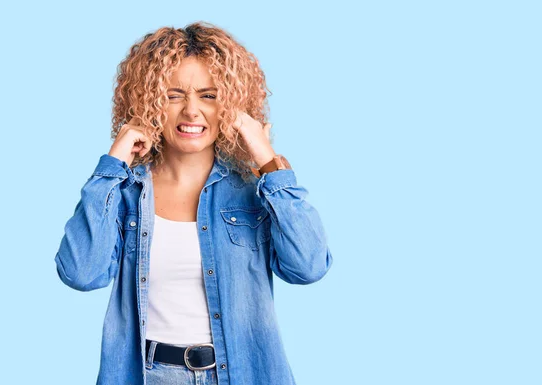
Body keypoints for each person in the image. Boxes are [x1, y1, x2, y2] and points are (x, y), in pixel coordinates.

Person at [53, 21, 333, 385]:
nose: (191, 111)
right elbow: (81, 273)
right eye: (173, 95)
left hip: (243, 374)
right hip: (150, 375)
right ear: (149, 102)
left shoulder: (254, 188)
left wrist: (267, 160)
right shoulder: (125, 192)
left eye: (208, 95)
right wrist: (112, 165)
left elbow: (308, 266)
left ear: (231, 105)